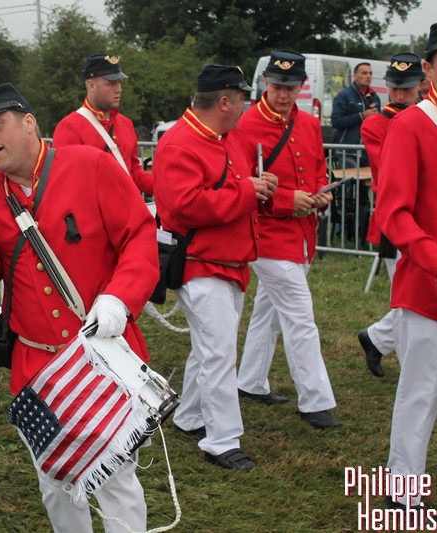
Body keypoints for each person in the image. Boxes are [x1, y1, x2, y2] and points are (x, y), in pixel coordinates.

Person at [0, 82, 159, 532]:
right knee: (54, 479)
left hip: (101, 355)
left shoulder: (91, 165)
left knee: (116, 478)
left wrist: (120, 297)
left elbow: (138, 236)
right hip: (38, 366)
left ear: (29, 122)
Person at [154, 65, 277, 471]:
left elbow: (235, 192)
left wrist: (262, 189)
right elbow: (184, 207)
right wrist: (247, 191)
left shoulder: (227, 139)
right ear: (224, 101)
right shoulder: (178, 143)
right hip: (199, 264)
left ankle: (190, 416)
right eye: (242, 98)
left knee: (210, 348)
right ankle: (221, 441)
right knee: (219, 352)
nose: (246, 106)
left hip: (225, 263)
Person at [231, 51, 340, 429]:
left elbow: (319, 168)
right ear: (266, 83)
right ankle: (315, 400)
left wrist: (321, 192)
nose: (283, 94)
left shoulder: (308, 123)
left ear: (301, 87)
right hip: (265, 235)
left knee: (269, 311)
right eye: (277, 86)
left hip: (302, 233)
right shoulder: (245, 124)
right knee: (300, 316)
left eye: (290, 88)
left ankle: (250, 380)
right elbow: (240, 182)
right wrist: (284, 200)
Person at [376, 22, 437, 511]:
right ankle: (403, 486)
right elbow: (394, 214)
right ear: (427, 68)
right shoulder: (410, 125)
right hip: (432, 285)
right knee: (422, 393)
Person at [357, 53, 425, 377]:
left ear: (420, 85)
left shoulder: (430, 117)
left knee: (421, 298)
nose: (398, 95)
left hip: (429, 219)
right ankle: (418, 368)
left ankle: (376, 339)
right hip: (396, 221)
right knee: (408, 301)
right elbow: (390, 171)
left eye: (406, 88)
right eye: (394, 88)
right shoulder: (376, 123)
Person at [52, 53, 153, 195]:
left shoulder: (126, 124)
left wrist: (165, 185)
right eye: (111, 83)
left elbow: (134, 173)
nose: (119, 89)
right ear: (91, 85)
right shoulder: (70, 127)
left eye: (119, 82)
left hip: (126, 206)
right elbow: (66, 184)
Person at [331, 62, 381, 167]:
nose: (368, 76)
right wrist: (361, 116)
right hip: (348, 151)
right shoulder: (344, 95)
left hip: (368, 152)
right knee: (348, 178)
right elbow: (336, 121)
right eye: (364, 73)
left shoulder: (375, 97)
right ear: (355, 76)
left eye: (370, 73)